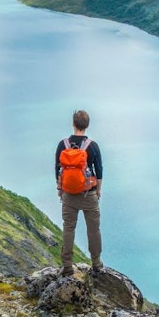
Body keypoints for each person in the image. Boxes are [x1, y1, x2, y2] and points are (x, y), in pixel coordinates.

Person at [55, 109, 103, 277]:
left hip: (68, 195)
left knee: (69, 228)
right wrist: (98, 190)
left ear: (73, 124)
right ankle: (96, 263)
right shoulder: (92, 146)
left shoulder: (63, 145)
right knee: (93, 230)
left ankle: (67, 265)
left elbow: (57, 168)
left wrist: (60, 189)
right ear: (87, 125)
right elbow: (100, 169)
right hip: (88, 194)